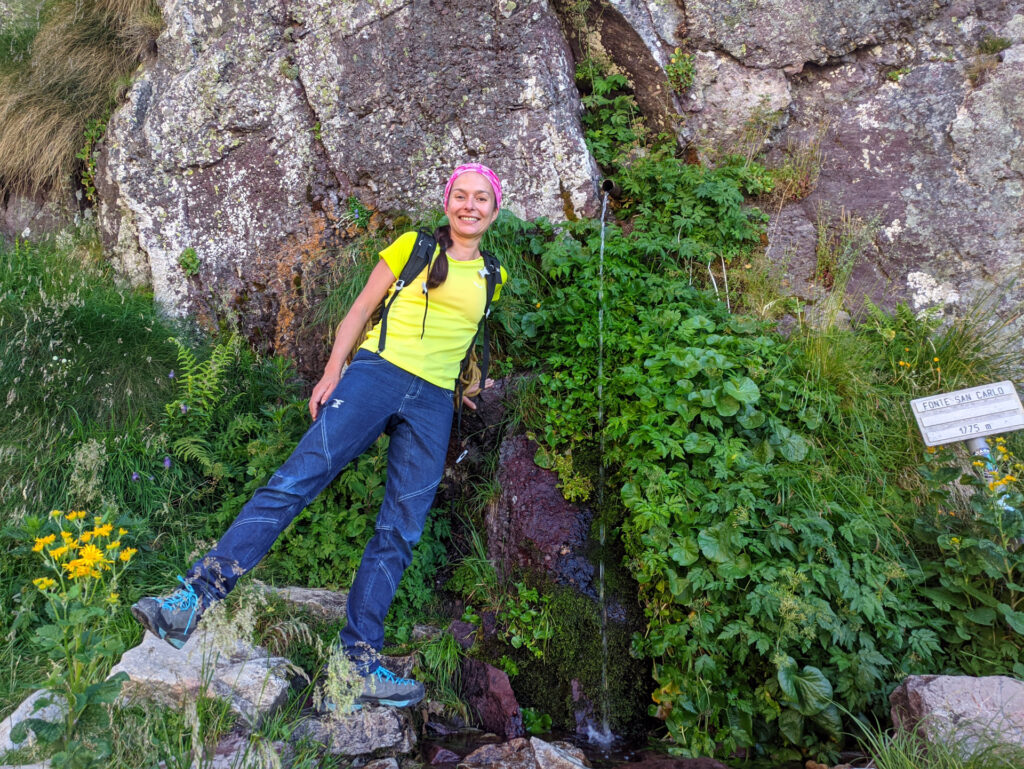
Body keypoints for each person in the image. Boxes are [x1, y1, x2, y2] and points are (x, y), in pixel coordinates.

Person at [131, 163, 508, 709]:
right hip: (376, 375)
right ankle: (193, 598)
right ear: (447, 202)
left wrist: (464, 384)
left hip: (432, 404)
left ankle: (356, 663)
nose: (469, 206)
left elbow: (464, 334)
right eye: (460, 196)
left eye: (481, 199)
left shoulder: (494, 275)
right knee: (294, 483)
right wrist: (333, 372)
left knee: (400, 529)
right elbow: (359, 310)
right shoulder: (413, 246)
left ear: (494, 211)